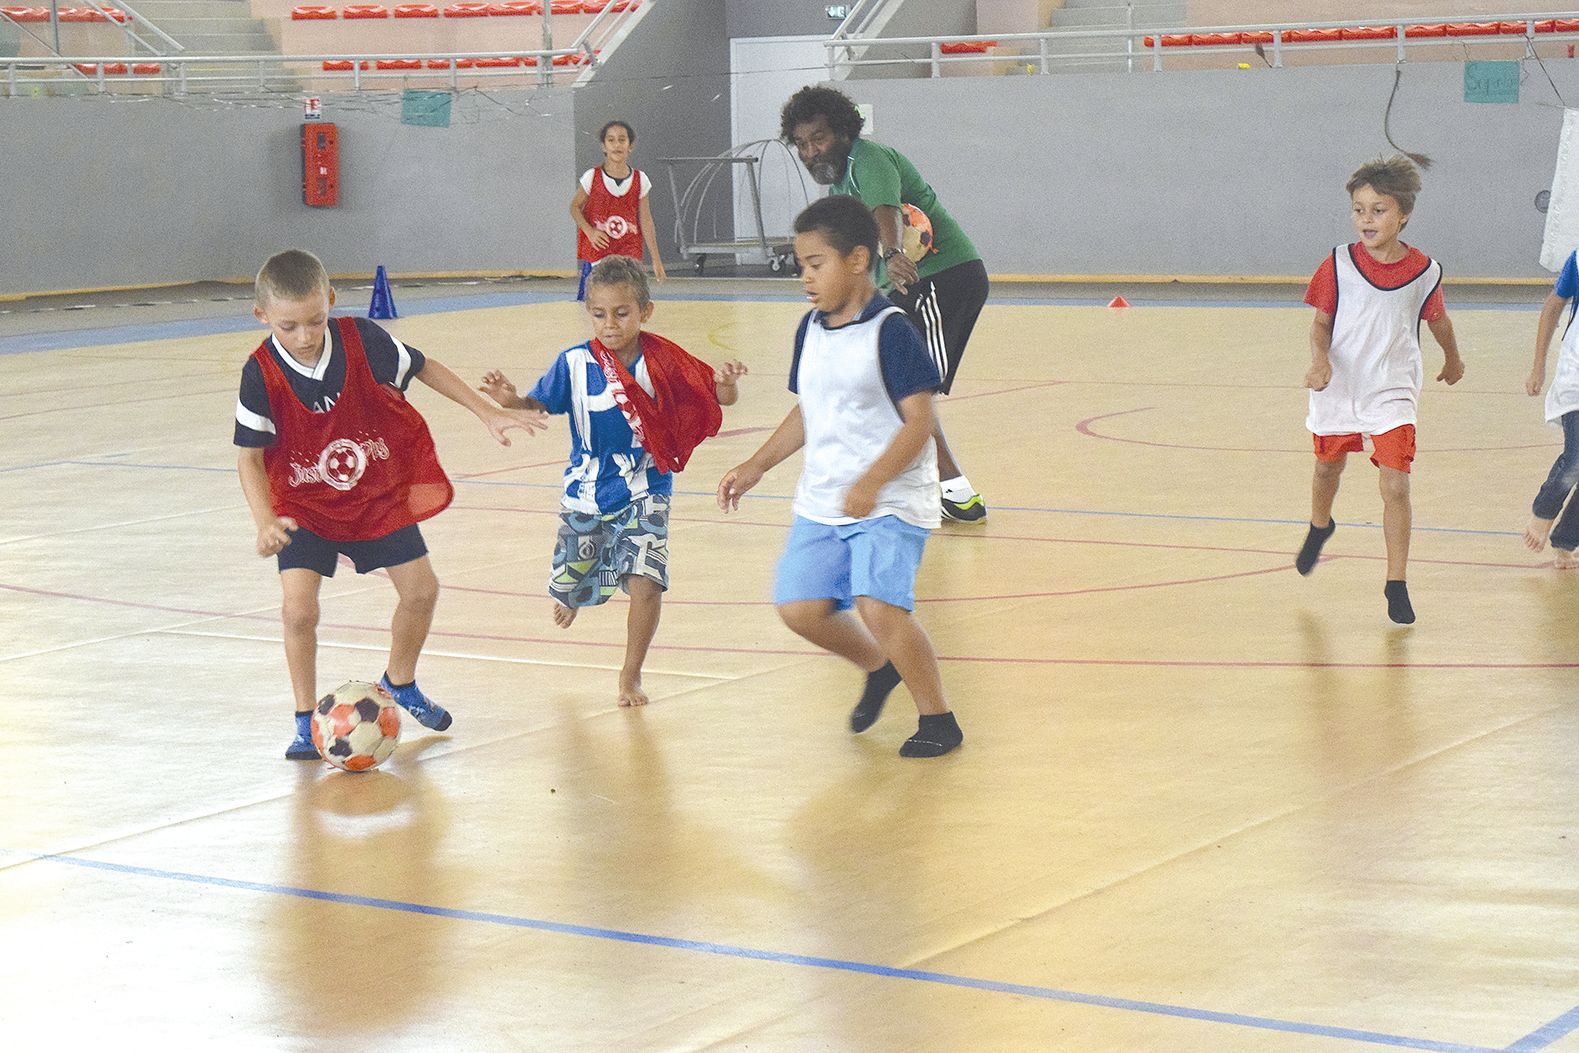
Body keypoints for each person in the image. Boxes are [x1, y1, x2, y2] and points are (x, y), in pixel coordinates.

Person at [236, 250, 548, 760]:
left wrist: (486, 411)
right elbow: (248, 458)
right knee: (298, 611)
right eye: (289, 326)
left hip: (373, 491)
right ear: (262, 316)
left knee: (422, 591)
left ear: (331, 302)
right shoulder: (260, 373)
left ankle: (400, 682)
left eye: (315, 321)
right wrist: (264, 520)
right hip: (305, 503)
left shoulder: (362, 339)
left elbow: (424, 367)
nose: (306, 336)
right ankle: (302, 721)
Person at [717, 195, 963, 758]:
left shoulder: (891, 332)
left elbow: (920, 422)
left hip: (891, 498)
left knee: (878, 605)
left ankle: (938, 718)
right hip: (825, 498)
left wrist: (873, 482)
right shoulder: (811, 328)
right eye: (800, 265)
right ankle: (879, 669)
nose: (804, 277)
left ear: (857, 260)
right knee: (799, 609)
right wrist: (756, 464)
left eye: (815, 264)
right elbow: (810, 408)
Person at [480, 255, 746, 707]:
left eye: (621, 313)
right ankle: (573, 593)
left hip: (647, 487)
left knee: (646, 581)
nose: (610, 324)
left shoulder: (665, 360)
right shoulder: (574, 363)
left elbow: (718, 397)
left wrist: (726, 383)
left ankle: (630, 674)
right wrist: (510, 399)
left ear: (645, 312)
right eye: (599, 314)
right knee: (571, 583)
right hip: (585, 489)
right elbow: (537, 406)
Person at [780, 84, 989, 524]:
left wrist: (893, 255)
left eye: (818, 138)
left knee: (907, 393)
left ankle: (953, 492)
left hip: (938, 279)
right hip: (909, 286)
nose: (811, 151)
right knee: (896, 390)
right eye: (802, 144)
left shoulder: (867, 159)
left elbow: (884, 212)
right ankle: (944, 488)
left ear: (841, 131)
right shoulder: (840, 179)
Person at [1294, 156, 1465, 624]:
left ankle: (1396, 583)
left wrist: (1453, 358)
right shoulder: (1337, 263)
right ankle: (1319, 525)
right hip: (1339, 383)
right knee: (1328, 468)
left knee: (1395, 483)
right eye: (1358, 210)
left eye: (1378, 210)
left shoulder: (1427, 271)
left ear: (1403, 214)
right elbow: (1320, 324)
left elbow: (1439, 322)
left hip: (1392, 388)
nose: (1366, 220)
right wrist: (1319, 360)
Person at [1522, 249, 1579, 567]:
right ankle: (1542, 514)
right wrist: (1538, 367)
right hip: (1576, 378)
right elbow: (1552, 308)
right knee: (1576, 460)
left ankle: (1567, 541)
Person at [570, 119, 666, 301]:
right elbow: (574, 207)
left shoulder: (640, 179)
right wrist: (590, 232)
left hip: (628, 249)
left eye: (622, 140)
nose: (617, 145)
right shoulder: (592, 177)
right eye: (611, 140)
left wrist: (656, 259)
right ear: (604, 146)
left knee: (628, 300)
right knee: (595, 302)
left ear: (630, 146)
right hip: (599, 250)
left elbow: (646, 220)